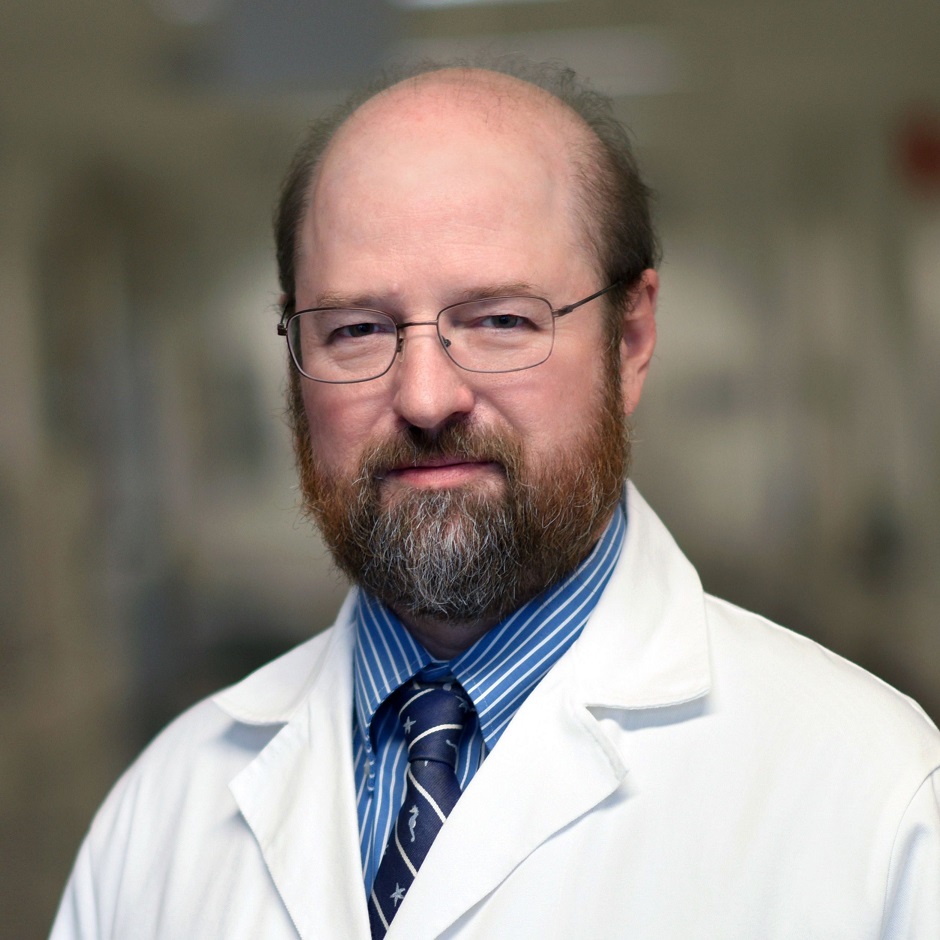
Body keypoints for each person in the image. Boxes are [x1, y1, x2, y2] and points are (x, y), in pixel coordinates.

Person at [51, 59, 940, 939]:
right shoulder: (160, 819)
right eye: (356, 330)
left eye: (501, 320)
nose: (425, 397)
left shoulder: (875, 803)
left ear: (630, 339)